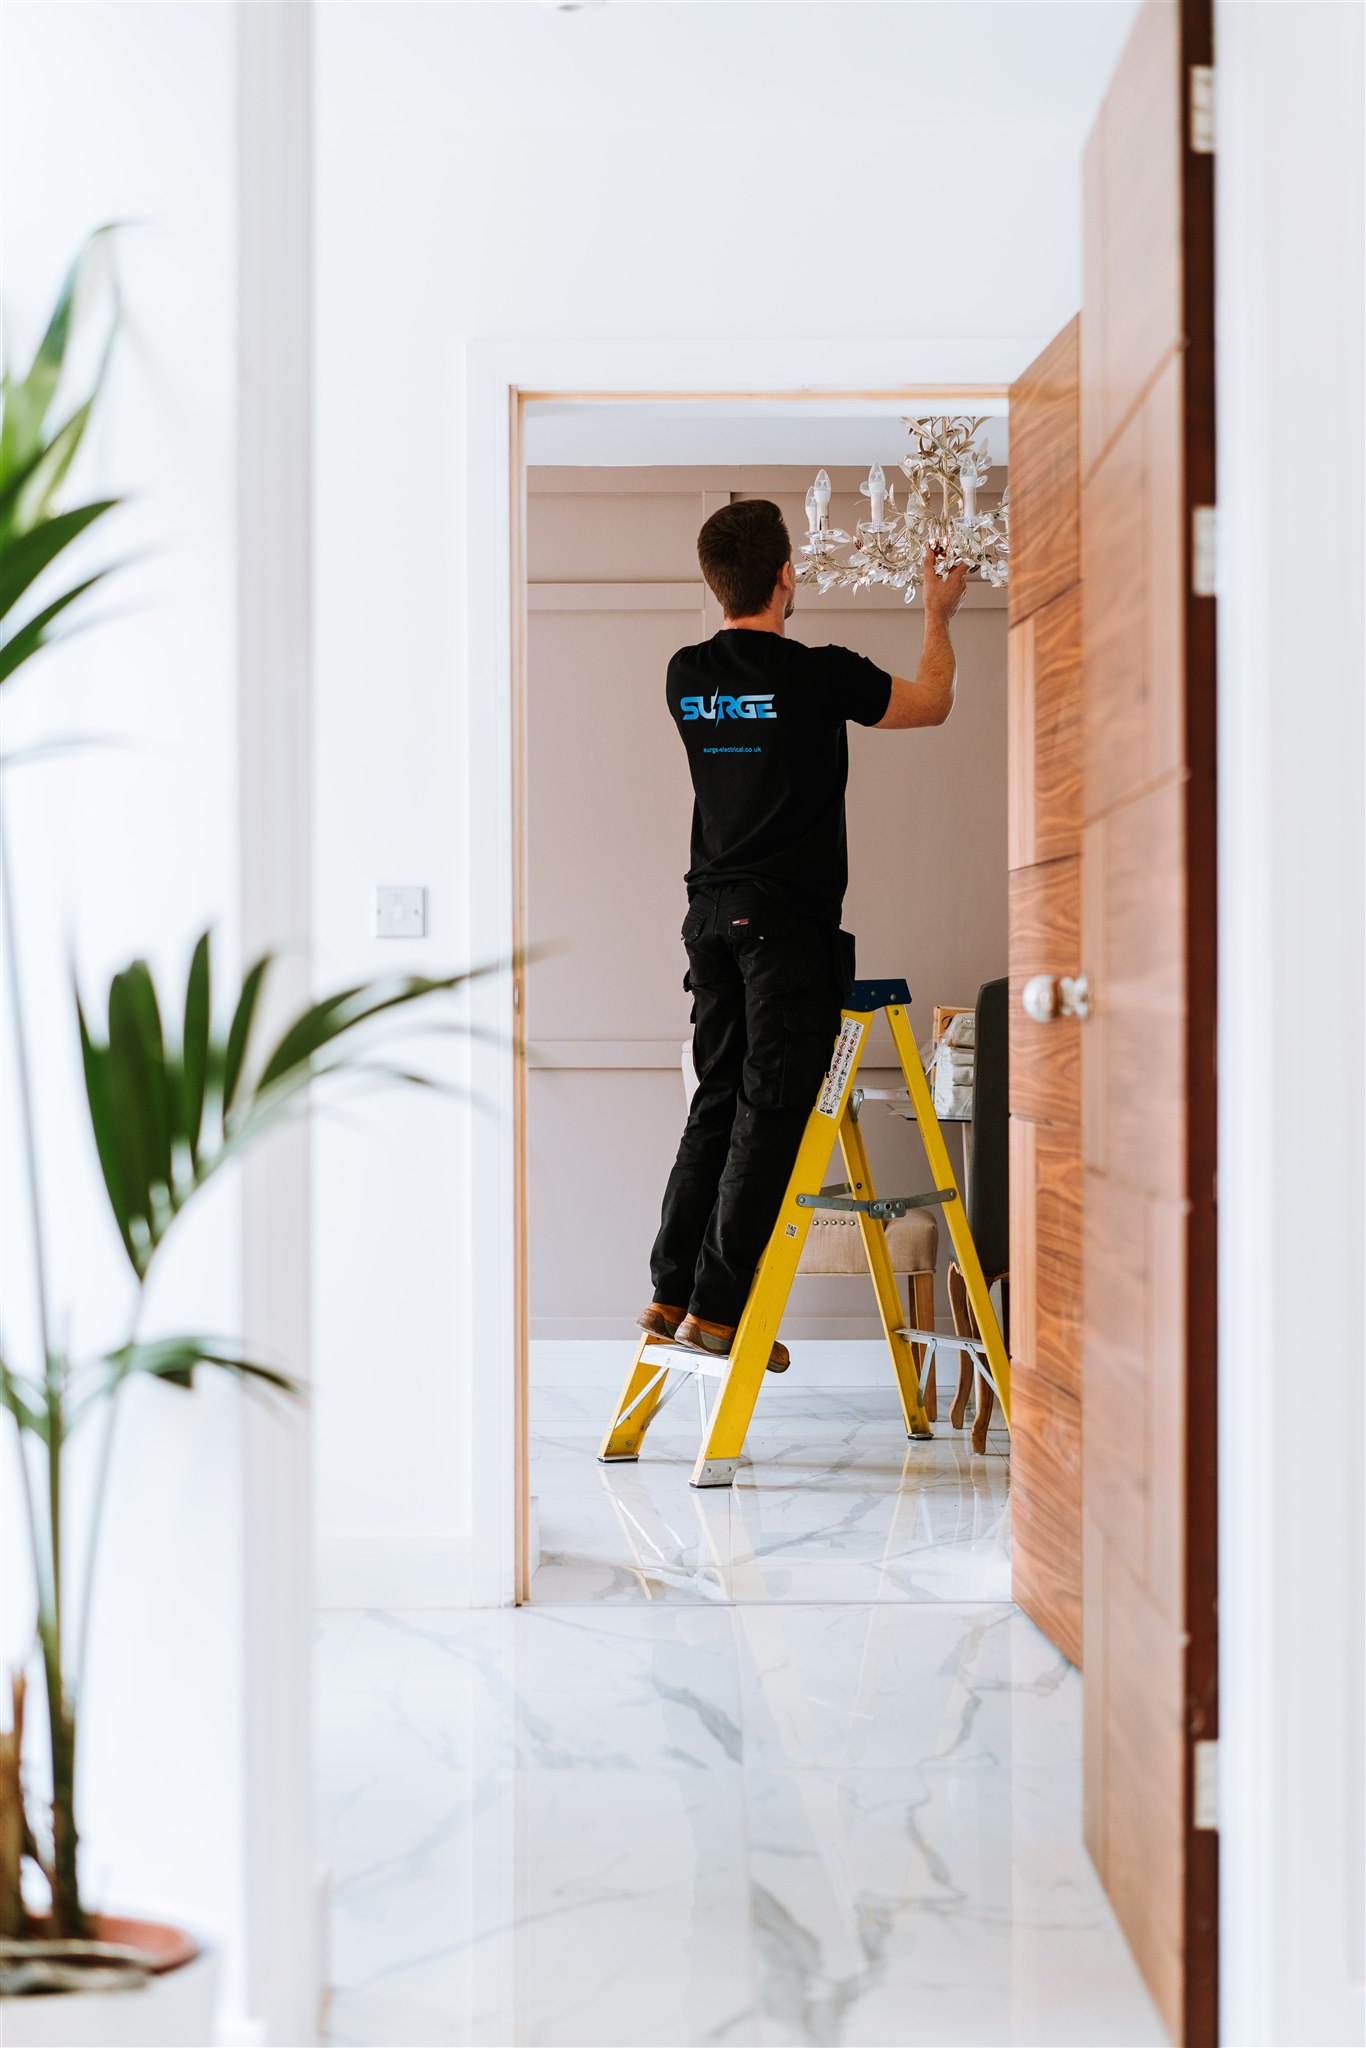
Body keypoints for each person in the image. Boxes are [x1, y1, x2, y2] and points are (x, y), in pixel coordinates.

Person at [638, 496, 969, 1369]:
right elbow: (932, 701)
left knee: (715, 1103)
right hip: (782, 927)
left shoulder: (684, 673)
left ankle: (672, 1291)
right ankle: (717, 1313)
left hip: (707, 919)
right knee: (769, 1112)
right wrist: (936, 615)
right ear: (787, 574)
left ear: (717, 584)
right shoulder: (820, 674)